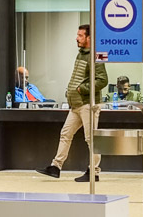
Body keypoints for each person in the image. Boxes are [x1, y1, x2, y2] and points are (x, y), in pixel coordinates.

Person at [35, 24, 108, 182]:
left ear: (89, 38)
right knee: (65, 134)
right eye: (78, 35)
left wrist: (82, 89)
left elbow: (103, 80)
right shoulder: (81, 54)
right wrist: (71, 92)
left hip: (88, 104)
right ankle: (56, 167)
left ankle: (93, 172)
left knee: (91, 139)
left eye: (80, 35)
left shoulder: (98, 54)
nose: (77, 38)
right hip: (76, 105)